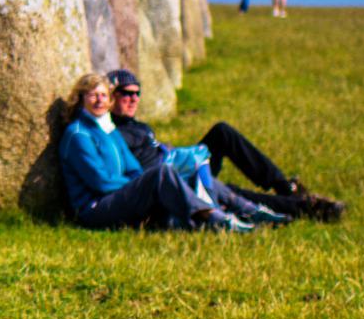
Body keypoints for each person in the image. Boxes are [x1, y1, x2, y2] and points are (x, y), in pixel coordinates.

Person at [103, 69, 343, 221]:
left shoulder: (137, 126)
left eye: (137, 93)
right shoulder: (113, 133)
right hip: (172, 184)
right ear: (111, 96)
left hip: (179, 167)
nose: (134, 98)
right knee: (232, 193)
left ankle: (283, 186)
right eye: (126, 93)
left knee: (222, 133)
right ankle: (305, 207)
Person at [58, 72, 249, 232]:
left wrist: (138, 184)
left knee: (174, 183)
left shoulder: (108, 128)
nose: (99, 100)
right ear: (81, 99)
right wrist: (135, 186)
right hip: (95, 208)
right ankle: (211, 216)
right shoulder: (78, 134)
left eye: (103, 95)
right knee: (161, 174)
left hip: (116, 196)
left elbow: (133, 166)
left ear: (109, 100)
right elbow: (101, 181)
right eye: (93, 95)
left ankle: (236, 214)